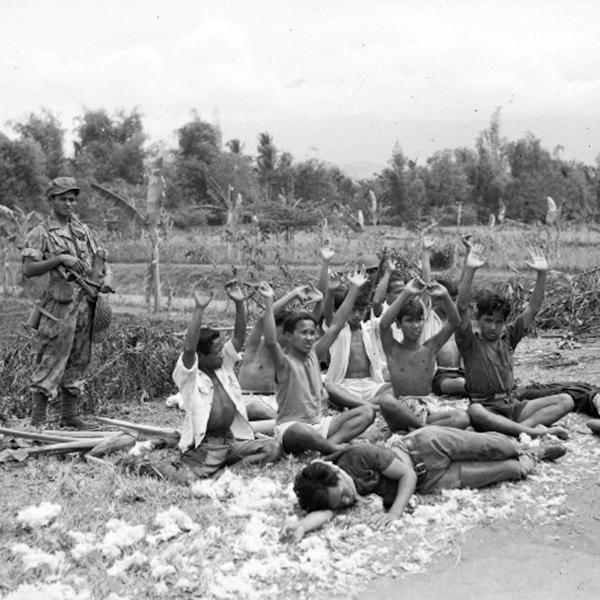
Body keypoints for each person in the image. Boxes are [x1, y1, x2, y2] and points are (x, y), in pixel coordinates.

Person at [285, 427, 566, 541]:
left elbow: (406, 475)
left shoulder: (357, 457)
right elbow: (323, 512)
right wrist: (301, 526)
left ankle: (532, 439)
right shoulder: (331, 495)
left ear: (336, 475)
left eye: (344, 494)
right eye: (342, 504)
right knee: (512, 470)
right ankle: (535, 455)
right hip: (432, 481)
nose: (348, 501)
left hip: (427, 447)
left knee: (501, 448)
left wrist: (394, 512)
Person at [158, 282, 281, 482]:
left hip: (231, 440)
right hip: (208, 445)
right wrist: (199, 308)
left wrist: (240, 303)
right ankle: (203, 468)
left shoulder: (223, 368)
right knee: (188, 479)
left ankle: (224, 473)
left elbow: (239, 337)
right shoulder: (190, 377)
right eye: (216, 353)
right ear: (202, 356)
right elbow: (189, 348)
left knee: (272, 448)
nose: (222, 355)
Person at [456, 243, 573, 439]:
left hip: (514, 406)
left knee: (566, 400)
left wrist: (542, 274)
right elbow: (461, 306)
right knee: (474, 411)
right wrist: (470, 269)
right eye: (488, 321)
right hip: (487, 408)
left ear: (504, 322)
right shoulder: (470, 342)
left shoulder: (508, 337)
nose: (493, 327)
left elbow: (534, 308)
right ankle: (531, 431)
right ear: (479, 320)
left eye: (498, 322)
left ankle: (517, 430)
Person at [22, 177, 110, 428]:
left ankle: (70, 417)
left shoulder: (83, 231)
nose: (69, 204)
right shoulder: (41, 233)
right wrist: (60, 258)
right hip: (58, 309)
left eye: (72, 199)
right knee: (51, 360)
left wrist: (104, 279)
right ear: (52, 200)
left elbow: (99, 261)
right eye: (63, 199)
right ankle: (38, 421)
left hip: (85, 306)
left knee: (80, 360)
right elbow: (29, 269)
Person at [260, 271, 376, 456]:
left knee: (367, 412)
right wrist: (268, 302)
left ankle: (330, 445)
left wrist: (354, 288)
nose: (309, 338)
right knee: (301, 431)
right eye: (303, 333)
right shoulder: (284, 363)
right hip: (291, 428)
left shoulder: (314, 354)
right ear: (288, 336)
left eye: (312, 333)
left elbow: (337, 324)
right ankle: (332, 448)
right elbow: (270, 341)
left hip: (319, 425)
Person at [375, 278, 470, 431]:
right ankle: (423, 428)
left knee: (462, 418)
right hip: (400, 413)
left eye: (419, 320)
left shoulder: (430, 348)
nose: (416, 326)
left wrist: (445, 295)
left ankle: (420, 428)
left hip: (426, 410)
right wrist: (406, 293)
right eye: (409, 321)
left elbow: (454, 321)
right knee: (386, 400)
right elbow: (384, 325)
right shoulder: (393, 349)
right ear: (398, 324)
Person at [238, 284, 321, 430]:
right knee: (256, 407)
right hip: (248, 399)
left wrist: (320, 301)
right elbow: (263, 319)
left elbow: (311, 324)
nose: (284, 336)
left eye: (288, 333)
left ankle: (282, 425)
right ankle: (288, 425)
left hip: (274, 401)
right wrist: (294, 294)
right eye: (281, 331)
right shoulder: (255, 344)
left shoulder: (290, 350)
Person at [419, 235, 466, 396]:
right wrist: (426, 252)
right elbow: (426, 284)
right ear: (437, 299)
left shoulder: (456, 319)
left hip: (460, 372)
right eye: (447, 300)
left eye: (453, 300)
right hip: (439, 377)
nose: (451, 304)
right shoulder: (428, 317)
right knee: (464, 385)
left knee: (476, 382)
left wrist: (469, 253)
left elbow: (465, 284)